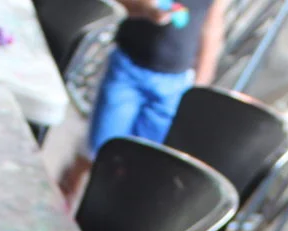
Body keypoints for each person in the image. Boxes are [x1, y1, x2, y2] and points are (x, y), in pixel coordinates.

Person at [57, 0, 228, 201]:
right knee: (100, 145)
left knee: (139, 160)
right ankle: (67, 188)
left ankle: (107, 207)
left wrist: (201, 83)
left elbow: (212, 25)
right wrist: (145, 8)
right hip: (128, 68)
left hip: (174, 83)